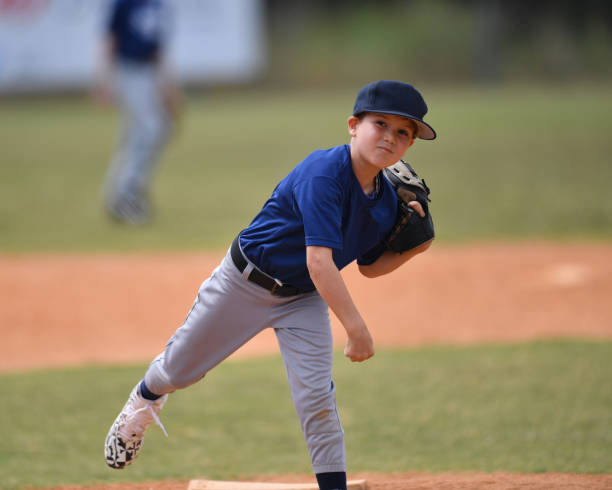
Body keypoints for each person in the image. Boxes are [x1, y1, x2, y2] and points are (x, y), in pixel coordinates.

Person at [104, 80, 437, 490]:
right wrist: (356, 327)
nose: (389, 137)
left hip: (303, 299)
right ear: (353, 125)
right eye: (380, 124)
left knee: (317, 400)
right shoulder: (324, 173)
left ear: (410, 146)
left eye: (402, 132)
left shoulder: (386, 202)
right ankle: (143, 400)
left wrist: (414, 248)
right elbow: (320, 262)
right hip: (243, 282)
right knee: (179, 370)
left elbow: (369, 267)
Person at [93, 0, 180, 224]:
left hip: (149, 71)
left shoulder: (158, 5)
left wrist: (167, 85)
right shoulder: (125, 3)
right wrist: (104, 79)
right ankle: (126, 192)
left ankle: (124, 191)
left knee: (154, 130)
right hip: (128, 69)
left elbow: (158, 48)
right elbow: (110, 39)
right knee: (150, 129)